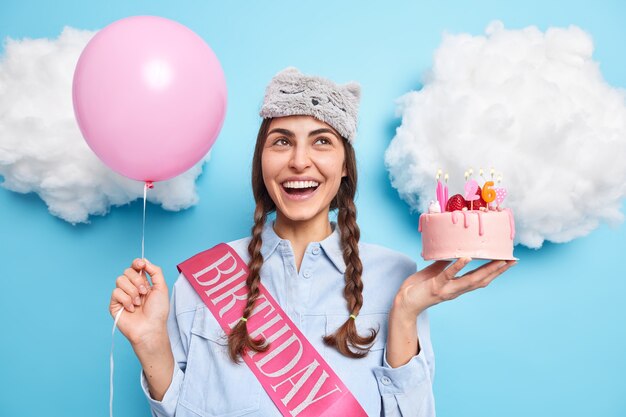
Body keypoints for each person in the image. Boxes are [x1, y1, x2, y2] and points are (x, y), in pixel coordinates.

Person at [109, 67, 516, 417]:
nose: (299, 160)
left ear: (344, 167)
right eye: (281, 141)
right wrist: (150, 344)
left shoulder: (395, 276)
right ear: (262, 163)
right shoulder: (200, 280)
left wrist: (405, 312)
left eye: (322, 141)